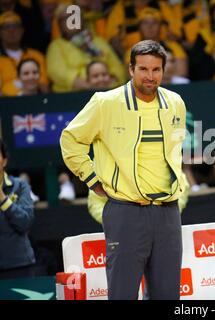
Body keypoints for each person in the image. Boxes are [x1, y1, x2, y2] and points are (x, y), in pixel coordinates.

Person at [60, 40, 187, 300]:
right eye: (143, 69)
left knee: (168, 296)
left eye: (156, 70)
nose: (150, 76)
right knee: (122, 294)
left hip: (168, 213)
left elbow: (174, 155)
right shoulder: (106, 102)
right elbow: (70, 139)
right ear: (130, 70)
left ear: (163, 71)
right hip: (126, 212)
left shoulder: (175, 102)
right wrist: (92, 179)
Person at [46, 4, 126, 93]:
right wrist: (88, 86)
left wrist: (109, 82)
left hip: (106, 93)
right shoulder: (56, 46)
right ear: (60, 25)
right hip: (72, 95)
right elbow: (57, 72)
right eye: (66, 19)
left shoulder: (98, 41)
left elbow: (118, 68)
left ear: (82, 20)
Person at [0, 138, 36, 280]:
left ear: (4, 160)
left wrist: (3, 199)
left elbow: (25, 222)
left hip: (19, 265)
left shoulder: (19, 186)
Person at [0, 11, 48, 96]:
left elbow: (44, 87)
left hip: (35, 102)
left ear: (22, 30)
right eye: (6, 27)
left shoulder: (37, 56)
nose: (11, 30)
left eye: (15, 26)